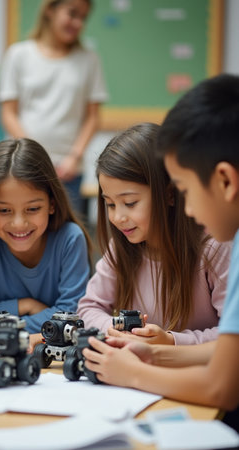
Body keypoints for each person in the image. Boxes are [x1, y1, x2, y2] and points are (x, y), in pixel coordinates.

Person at [83, 74, 239, 425]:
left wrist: (148, 360)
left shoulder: (220, 246)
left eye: (184, 188)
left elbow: (222, 386)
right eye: (110, 204)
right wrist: (147, 350)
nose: (187, 207)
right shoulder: (122, 248)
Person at [77, 122, 230, 345]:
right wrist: (117, 331)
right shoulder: (121, 248)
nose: (118, 217)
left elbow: (231, 336)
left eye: (130, 203)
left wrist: (171, 341)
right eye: (110, 205)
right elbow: (89, 308)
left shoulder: (214, 248)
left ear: (169, 195)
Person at [0, 138, 92, 337]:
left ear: (51, 204)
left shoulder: (69, 239)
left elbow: (72, 318)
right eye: (4, 210)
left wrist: (2, 327)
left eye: (33, 209)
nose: (19, 223)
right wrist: (24, 305)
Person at [0, 0, 108, 214]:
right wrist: (35, 156)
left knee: (66, 234)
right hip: (23, 166)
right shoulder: (19, 55)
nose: (77, 23)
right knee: (22, 233)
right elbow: (8, 113)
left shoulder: (89, 60)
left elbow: (93, 117)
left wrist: (74, 158)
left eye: (83, 18)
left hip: (68, 170)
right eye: (72, 14)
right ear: (50, 10)